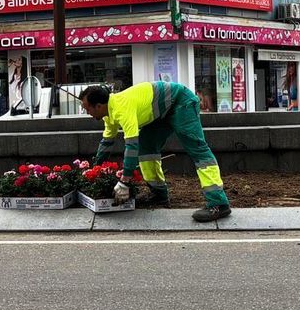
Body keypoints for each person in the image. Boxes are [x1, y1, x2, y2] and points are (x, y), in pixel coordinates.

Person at [80, 82, 231, 223]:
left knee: (197, 149)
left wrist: (124, 181)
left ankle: (218, 203)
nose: (87, 113)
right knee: (147, 147)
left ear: (98, 106)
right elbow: (106, 143)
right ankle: (159, 194)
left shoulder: (122, 108)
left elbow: (132, 146)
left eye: (87, 109)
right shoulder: (109, 114)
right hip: (162, 111)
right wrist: (94, 170)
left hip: (180, 101)